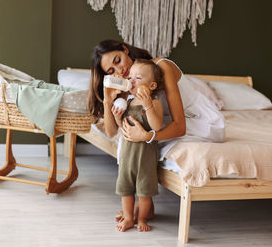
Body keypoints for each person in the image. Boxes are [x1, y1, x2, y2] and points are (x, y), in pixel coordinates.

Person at [87, 39, 225, 223]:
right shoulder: (128, 84)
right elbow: (112, 132)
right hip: (160, 119)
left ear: (125, 50)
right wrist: (107, 100)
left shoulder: (160, 67)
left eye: (118, 60)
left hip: (196, 120)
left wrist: (147, 136)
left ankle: (145, 201)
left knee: (139, 139)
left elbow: (180, 126)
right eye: (111, 71)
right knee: (126, 139)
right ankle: (146, 203)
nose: (119, 71)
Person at [113, 59, 164, 232]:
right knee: (126, 190)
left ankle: (142, 218)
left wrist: (148, 105)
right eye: (131, 77)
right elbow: (122, 127)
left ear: (152, 85)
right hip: (127, 157)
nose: (132, 81)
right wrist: (117, 117)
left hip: (145, 159)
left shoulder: (154, 103)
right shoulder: (127, 103)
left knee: (144, 193)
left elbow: (156, 127)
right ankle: (128, 218)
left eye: (139, 77)